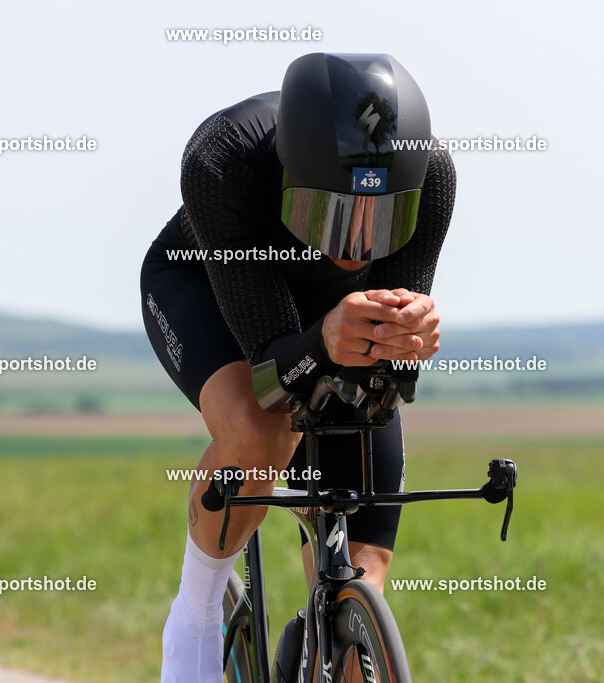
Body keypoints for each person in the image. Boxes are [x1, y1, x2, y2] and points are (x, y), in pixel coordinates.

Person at [140, 52, 456, 682]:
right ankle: (196, 614)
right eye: (333, 213)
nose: (360, 243)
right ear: (291, 180)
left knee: (361, 562)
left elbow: (384, 376)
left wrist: (409, 339)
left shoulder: (435, 174)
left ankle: (336, 632)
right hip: (211, 290)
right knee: (262, 432)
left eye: (385, 216)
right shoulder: (223, 157)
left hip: (321, 326)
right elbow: (270, 374)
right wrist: (324, 339)